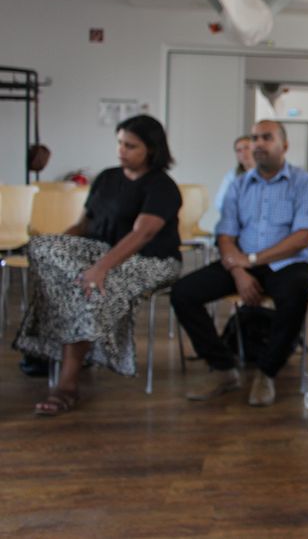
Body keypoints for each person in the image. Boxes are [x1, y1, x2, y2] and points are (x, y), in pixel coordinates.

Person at [14, 115, 182, 415]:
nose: (121, 150)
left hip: (151, 260)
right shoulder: (107, 178)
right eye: (119, 143)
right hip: (100, 254)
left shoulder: (162, 187)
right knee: (44, 250)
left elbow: (142, 234)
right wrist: (60, 246)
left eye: (130, 146)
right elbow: (83, 224)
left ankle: (66, 385)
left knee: (86, 288)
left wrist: (101, 267)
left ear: (151, 150)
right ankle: (65, 349)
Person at [170, 119, 308, 408]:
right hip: (242, 262)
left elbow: (303, 237)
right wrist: (239, 271)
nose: (258, 144)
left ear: (285, 146)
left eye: (267, 138)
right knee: (183, 293)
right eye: (254, 138)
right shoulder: (238, 186)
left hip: (288, 263)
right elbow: (225, 235)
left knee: (295, 294)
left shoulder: (305, 184)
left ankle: (267, 372)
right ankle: (224, 368)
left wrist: (253, 259)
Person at [213, 135, 254, 212]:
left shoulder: (269, 173)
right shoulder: (231, 176)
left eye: (247, 148)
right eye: (239, 150)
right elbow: (220, 202)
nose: (243, 153)